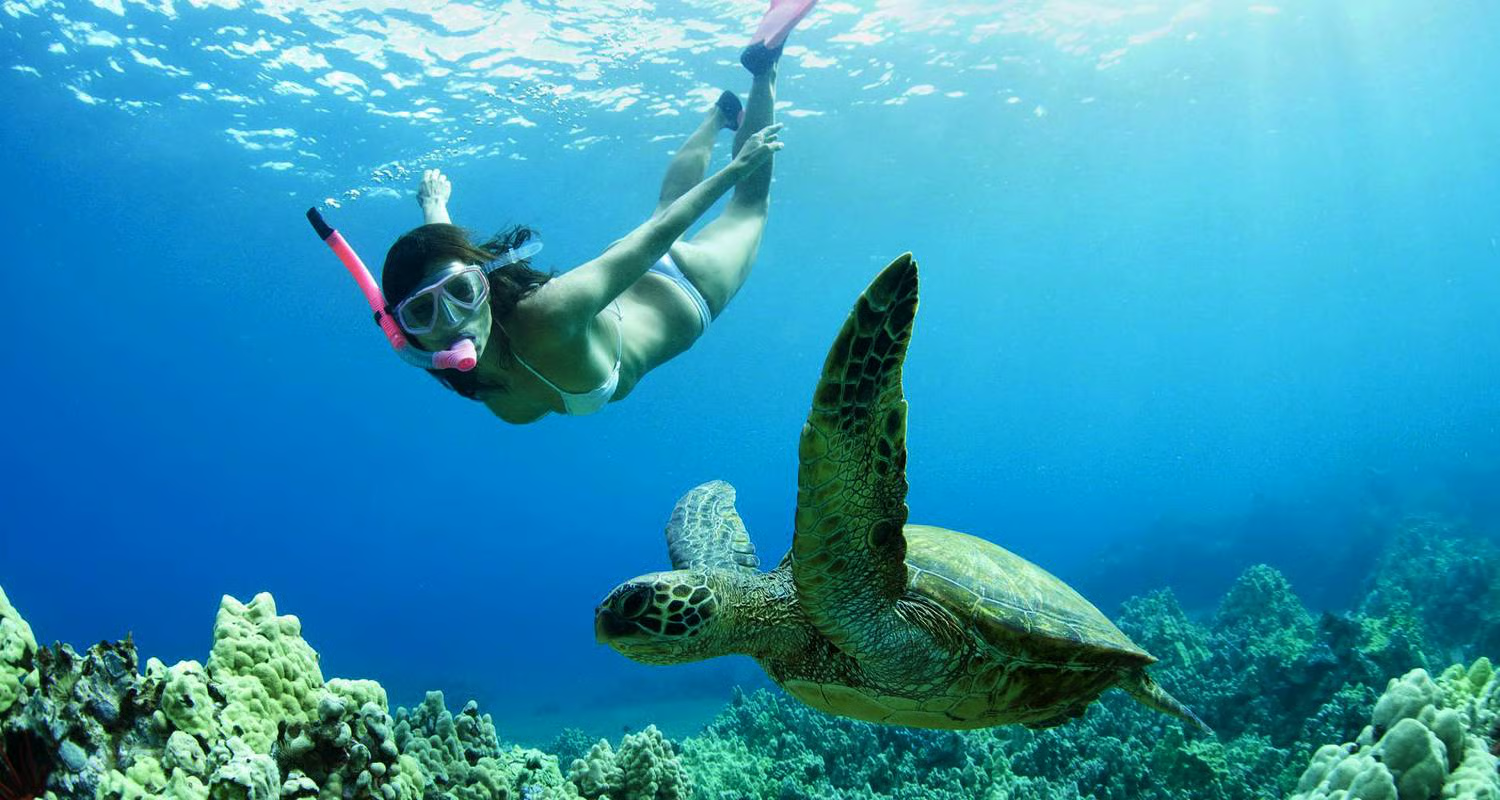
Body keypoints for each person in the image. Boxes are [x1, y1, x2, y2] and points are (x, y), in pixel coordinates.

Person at [378, 0, 819, 424]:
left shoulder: (550, 313)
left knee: (748, 206)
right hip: (629, 280)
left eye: (464, 291)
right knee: (664, 205)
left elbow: (659, 237)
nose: (453, 317)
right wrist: (435, 207)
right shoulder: (472, 369)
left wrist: (735, 171)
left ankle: (766, 65)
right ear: (407, 336)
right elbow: (446, 267)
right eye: (422, 312)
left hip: (690, 292)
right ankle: (719, 116)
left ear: (485, 283)